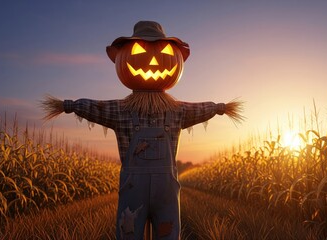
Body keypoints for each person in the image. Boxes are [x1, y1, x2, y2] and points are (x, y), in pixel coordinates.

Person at [41, 21, 243, 240]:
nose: (154, 61)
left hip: (151, 192)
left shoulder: (169, 110)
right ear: (122, 58)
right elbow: (94, 106)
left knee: (150, 233)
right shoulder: (128, 109)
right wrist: (69, 105)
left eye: (164, 51)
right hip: (140, 191)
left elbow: (201, 108)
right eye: (138, 50)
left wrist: (219, 108)